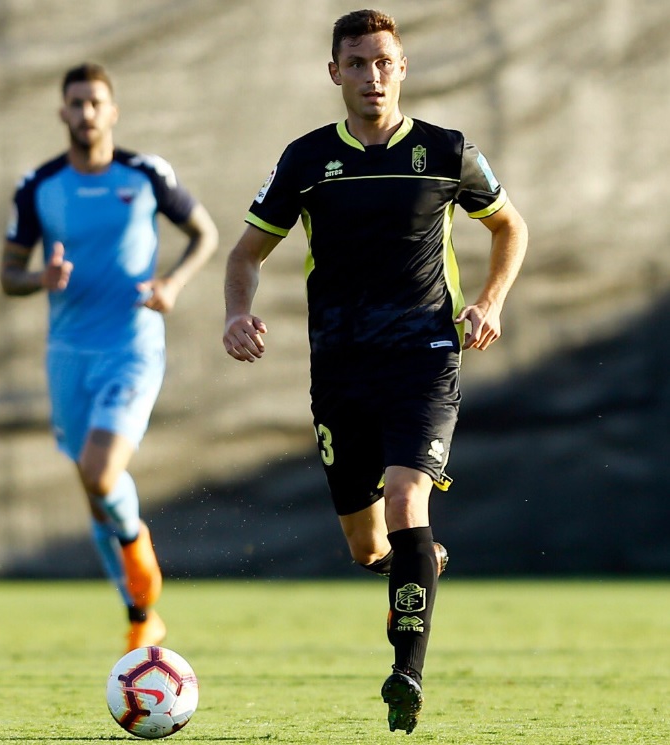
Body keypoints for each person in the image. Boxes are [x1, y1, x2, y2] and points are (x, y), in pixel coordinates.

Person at [222, 9, 527, 734]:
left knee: (404, 497)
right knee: (370, 546)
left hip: (423, 357)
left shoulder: (448, 150)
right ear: (334, 73)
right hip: (339, 367)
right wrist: (237, 313)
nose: (372, 77)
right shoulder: (304, 160)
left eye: (383, 62)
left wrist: (488, 300)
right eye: (355, 64)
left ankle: (405, 673)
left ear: (403, 67)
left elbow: (509, 225)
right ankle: (415, 562)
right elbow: (244, 255)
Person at [0, 63, 218, 652]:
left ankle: (140, 565)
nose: (87, 112)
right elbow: (7, 276)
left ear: (112, 111)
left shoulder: (146, 174)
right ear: (62, 112)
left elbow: (205, 234)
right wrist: (39, 277)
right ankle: (140, 610)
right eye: (76, 102)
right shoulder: (38, 184)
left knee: (100, 472)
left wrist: (171, 284)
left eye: (96, 102)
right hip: (69, 355)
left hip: (132, 347)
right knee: (95, 491)